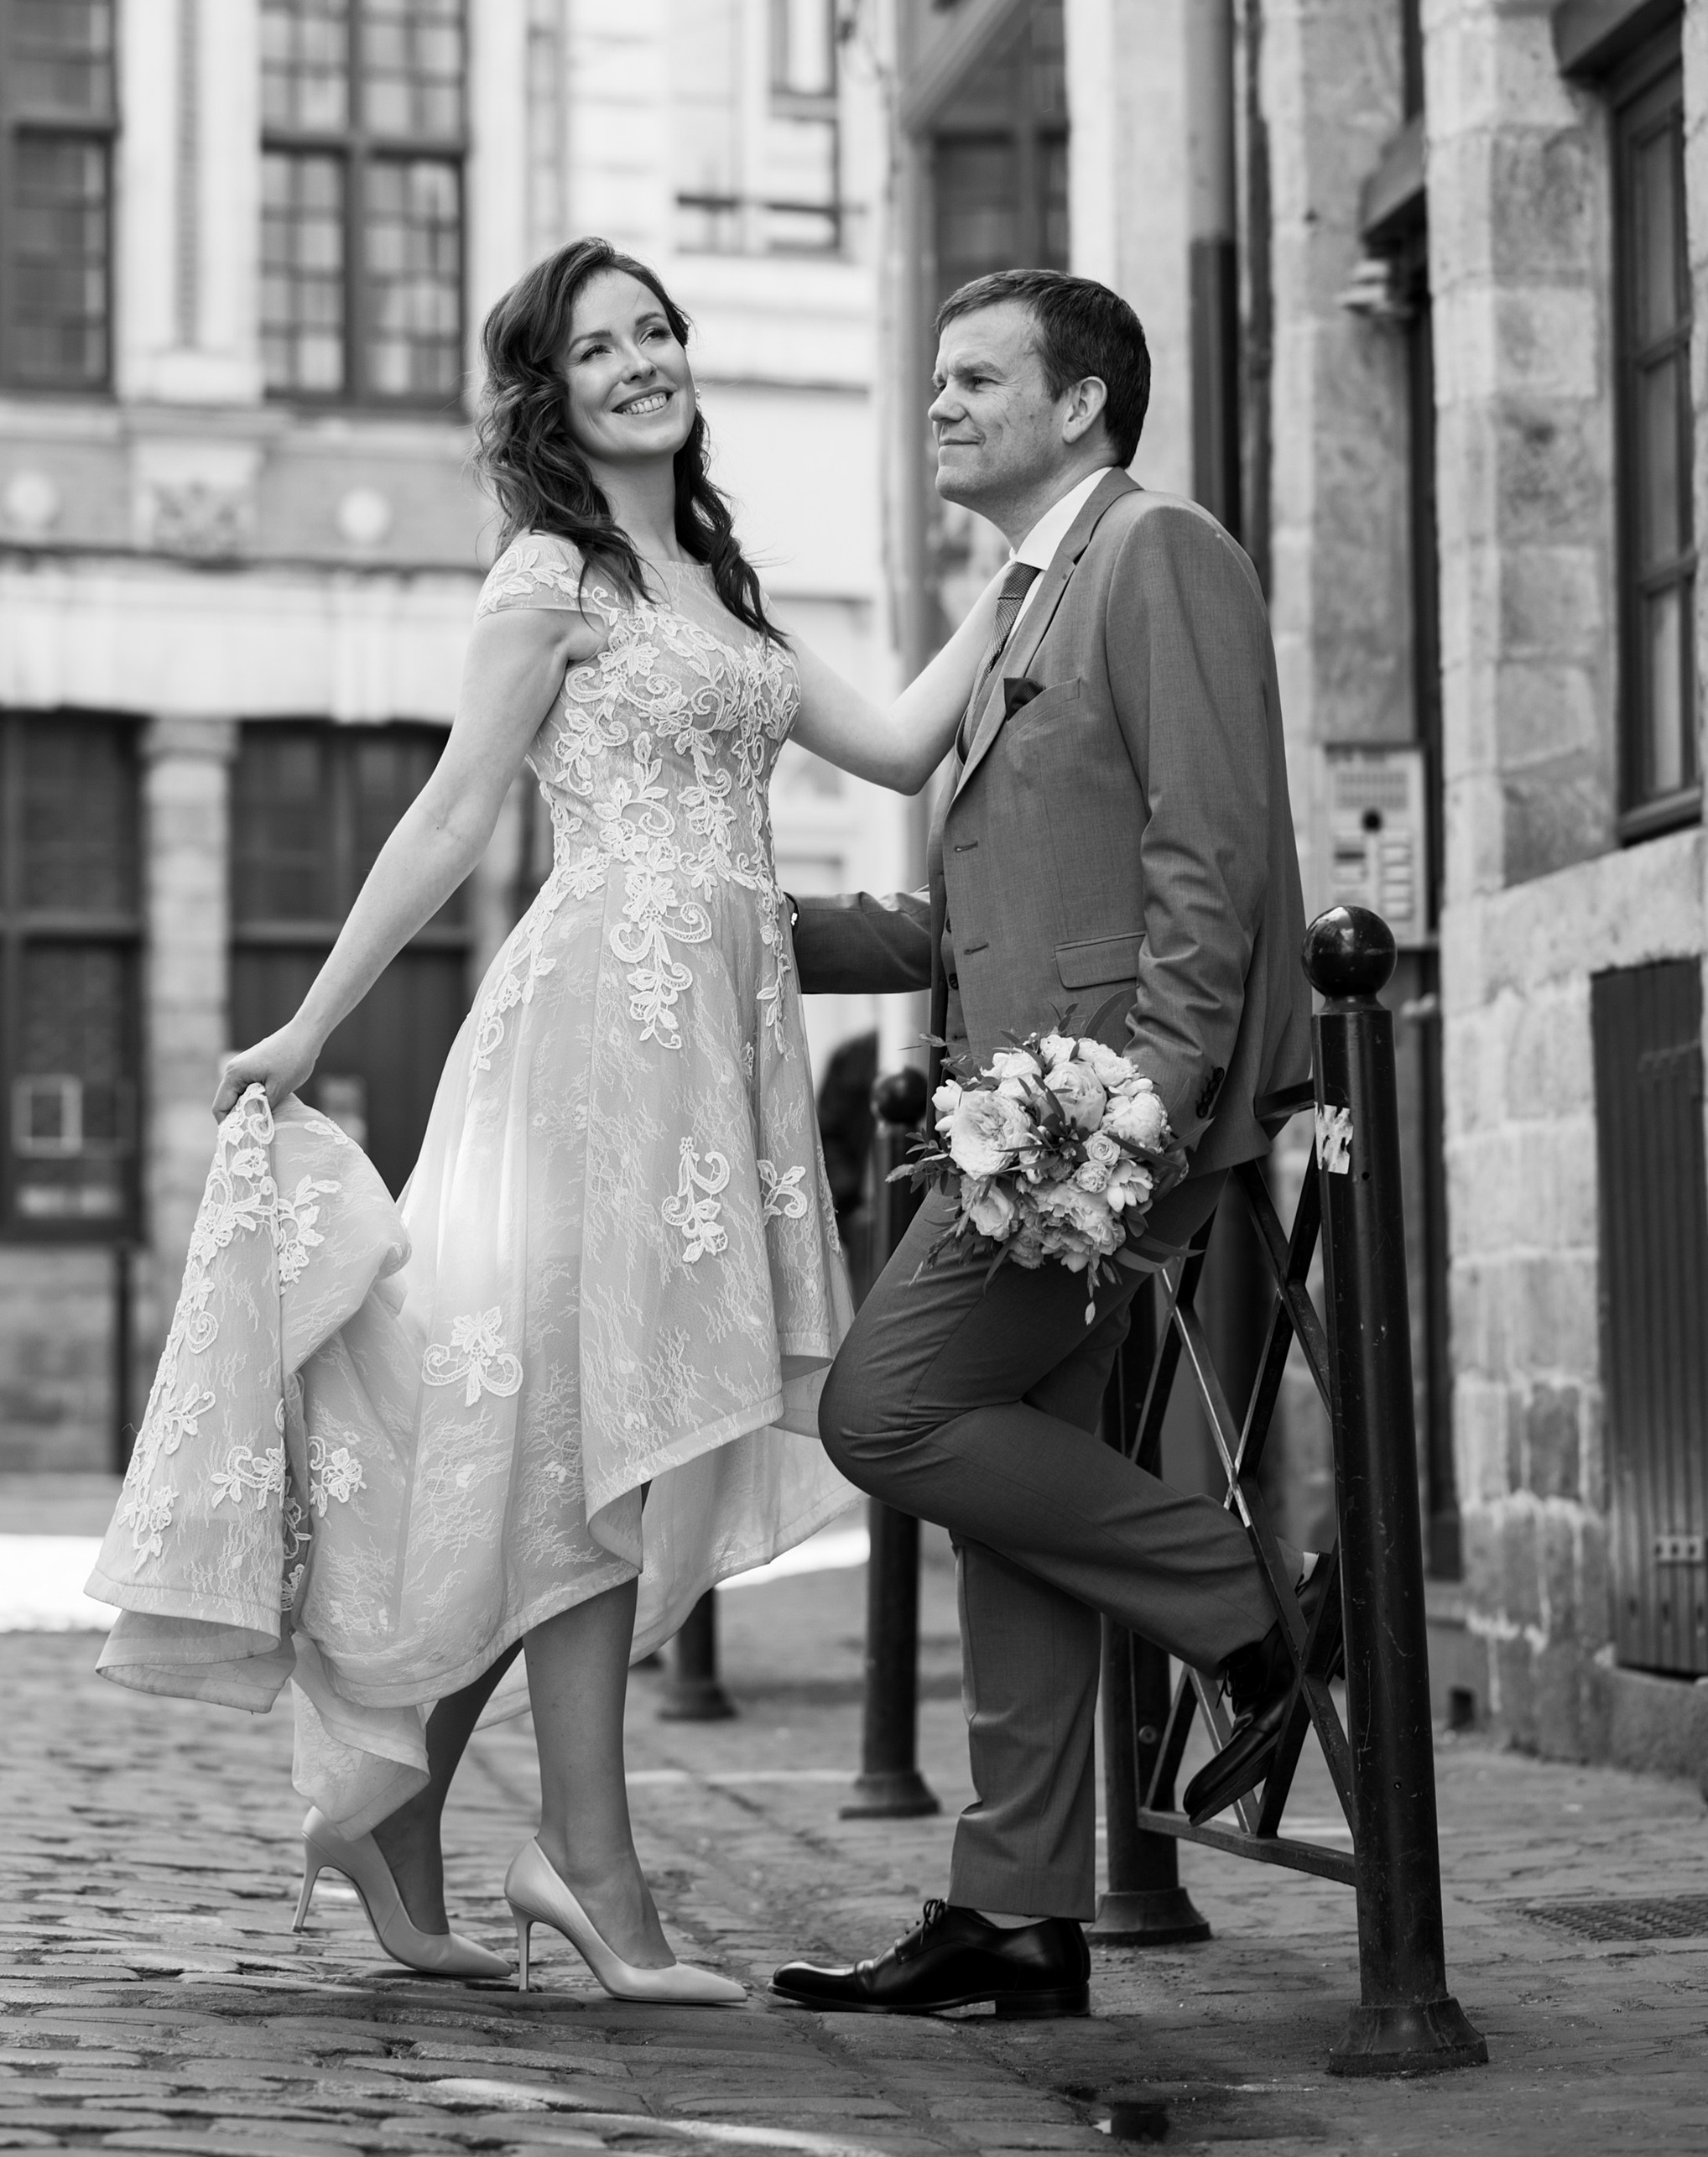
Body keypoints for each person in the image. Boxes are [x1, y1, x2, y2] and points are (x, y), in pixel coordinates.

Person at [88, 237, 1014, 2004]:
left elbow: (898, 745)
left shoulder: (716, 580)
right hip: (586, 1038)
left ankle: (409, 1803)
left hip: (709, 1071)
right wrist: (305, 1022)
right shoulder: (545, 575)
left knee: (577, 1452)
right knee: (581, 1443)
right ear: (551, 392)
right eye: (600, 347)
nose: (641, 360)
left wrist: (1030, 558)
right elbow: (445, 821)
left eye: (656, 329)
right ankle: (585, 1866)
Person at [773, 268, 1317, 2024]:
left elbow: (1208, 852)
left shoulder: (1157, 552)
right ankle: (1014, 1912)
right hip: (1024, 1118)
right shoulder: (1024, 597)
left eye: (972, 376)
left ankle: (1253, 1609)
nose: (935, 402)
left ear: (1076, 404)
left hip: (1087, 1134)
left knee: (887, 1406)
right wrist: (767, 929)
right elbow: (1002, 904)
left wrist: (1130, 1117)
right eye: (931, 376)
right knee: (1003, 1489)